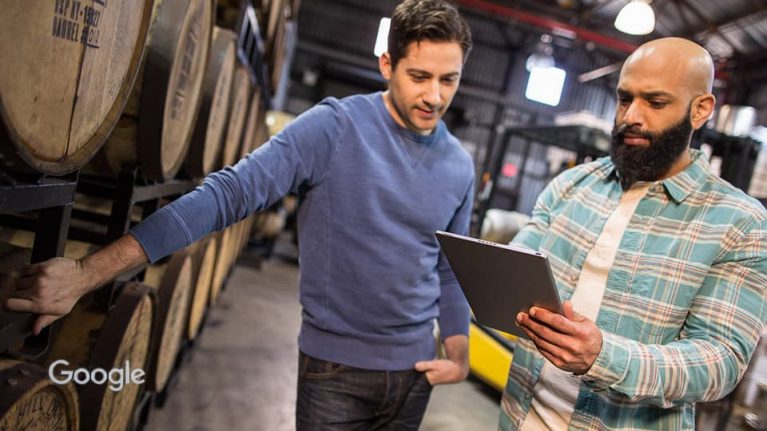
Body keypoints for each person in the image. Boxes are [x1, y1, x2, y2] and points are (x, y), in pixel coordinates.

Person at [6, 0, 475, 428]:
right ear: (387, 65)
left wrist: (457, 350)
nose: (434, 96)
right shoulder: (335, 127)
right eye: (419, 76)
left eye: (448, 80)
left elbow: (450, 270)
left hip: (415, 373)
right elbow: (226, 195)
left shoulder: (459, 166)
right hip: (335, 374)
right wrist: (87, 273)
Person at [500, 37, 767, 430]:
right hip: (521, 417)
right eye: (625, 99)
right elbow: (514, 271)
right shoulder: (573, 185)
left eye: (655, 103)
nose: (631, 117)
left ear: (701, 110)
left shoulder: (738, 223)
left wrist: (602, 357)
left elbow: (720, 362)